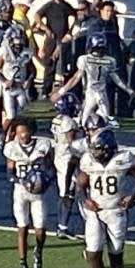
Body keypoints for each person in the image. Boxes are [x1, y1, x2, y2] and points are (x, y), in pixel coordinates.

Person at [76, 129, 135, 268]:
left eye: (100, 149)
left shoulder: (123, 159)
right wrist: (85, 199)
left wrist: (133, 197)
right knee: (92, 252)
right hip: (96, 212)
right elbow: (80, 184)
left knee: (116, 254)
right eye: (95, 149)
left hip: (116, 210)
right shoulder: (88, 160)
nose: (96, 153)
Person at [53, 33, 135, 129]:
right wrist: (129, 90)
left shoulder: (84, 59)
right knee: (106, 119)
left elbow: (76, 78)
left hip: (91, 93)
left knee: (84, 122)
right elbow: (117, 80)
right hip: (102, 93)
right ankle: (110, 129)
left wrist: (60, 92)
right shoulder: (110, 61)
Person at [3, 117, 53, 268]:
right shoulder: (11, 147)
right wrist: (22, 180)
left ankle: (38, 250)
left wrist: (44, 180)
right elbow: (10, 171)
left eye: (24, 131)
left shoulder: (43, 145)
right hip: (20, 191)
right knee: (22, 227)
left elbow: (50, 167)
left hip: (38, 194)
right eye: (18, 132)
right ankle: (23, 262)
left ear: (31, 131)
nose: (21, 135)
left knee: (40, 229)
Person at [0, 30, 35, 146]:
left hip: (20, 87)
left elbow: (32, 71)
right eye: (16, 45)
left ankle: (11, 137)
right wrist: (5, 81)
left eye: (20, 44)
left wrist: (28, 81)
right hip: (9, 89)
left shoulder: (26, 53)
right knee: (11, 115)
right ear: (10, 42)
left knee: (20, 116)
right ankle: (2, 136)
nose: (18, 47)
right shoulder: (4, 52)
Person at [51, 92, 83, 239]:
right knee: (69, 193)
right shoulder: (68, 122)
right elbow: (72, 143)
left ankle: (62, 226)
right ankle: (62, 227)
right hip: (67, 159)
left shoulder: (57, 119)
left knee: (66, 192)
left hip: (59, 156)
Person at [34, 0, 76, 94]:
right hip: (52, 39)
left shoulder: (66, 6)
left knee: (66, 65)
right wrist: (44, 27)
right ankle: (46, 92)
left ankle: (66, 91)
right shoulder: (49, 6)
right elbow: (37, 15)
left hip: (64, 40)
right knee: (50, 65)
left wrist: (70, 33)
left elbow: (75, 17)